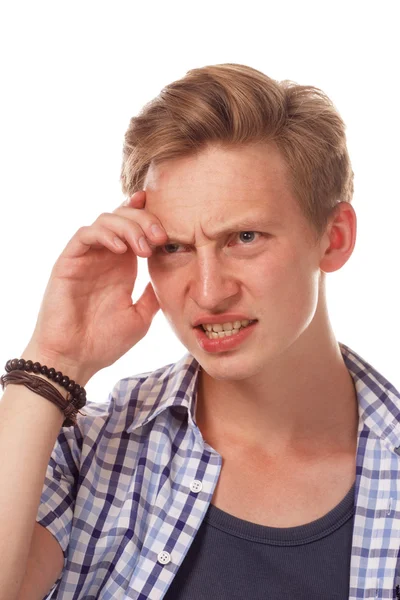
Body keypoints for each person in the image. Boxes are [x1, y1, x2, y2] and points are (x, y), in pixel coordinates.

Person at [1, 63, 399, 600]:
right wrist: (54, 359)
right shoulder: (85, 453)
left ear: (334, 238)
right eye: (174, 248)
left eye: (244, 237)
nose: (209, 292)